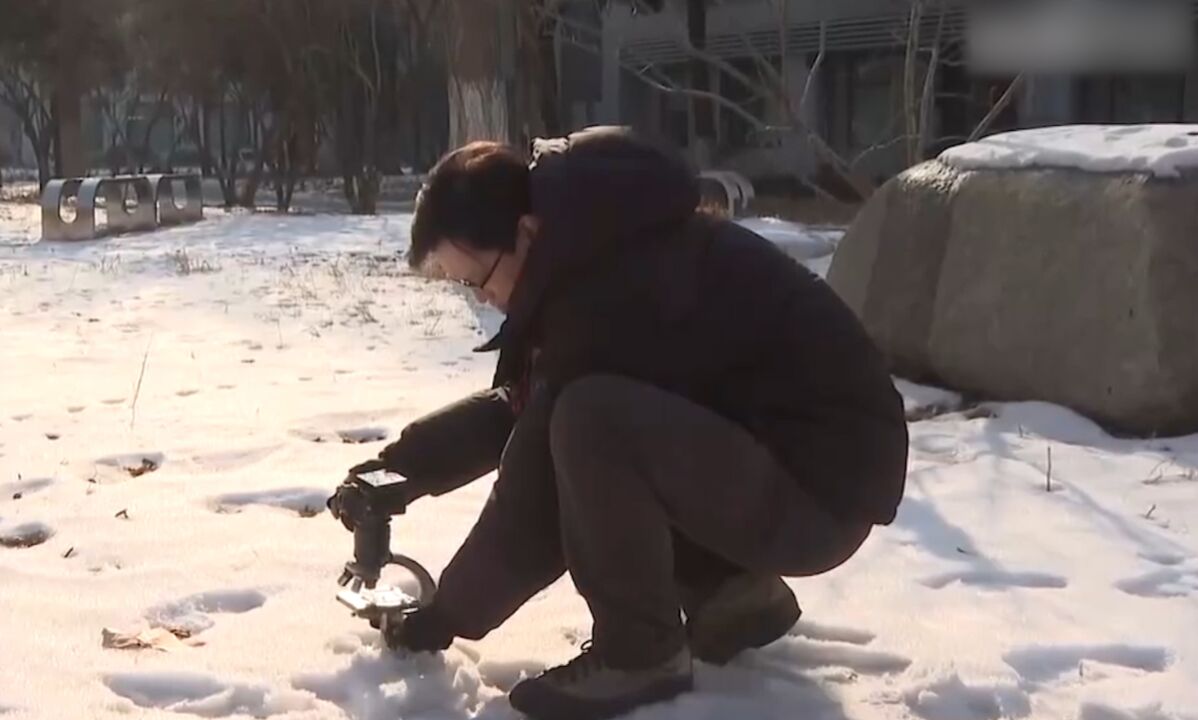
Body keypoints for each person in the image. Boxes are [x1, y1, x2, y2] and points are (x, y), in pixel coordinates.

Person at [327, 126, 907, 720]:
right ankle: (732, 594)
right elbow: (524, 404)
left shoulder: (613, 292)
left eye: (476, 280)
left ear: (525, 233)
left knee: (594, 426)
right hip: (794, 466)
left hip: (818, 493)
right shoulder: (604, 250)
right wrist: (403, 467)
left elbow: (535, 499)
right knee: (600, 426)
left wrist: (448, 616)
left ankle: (639, 653)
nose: (485, 301)